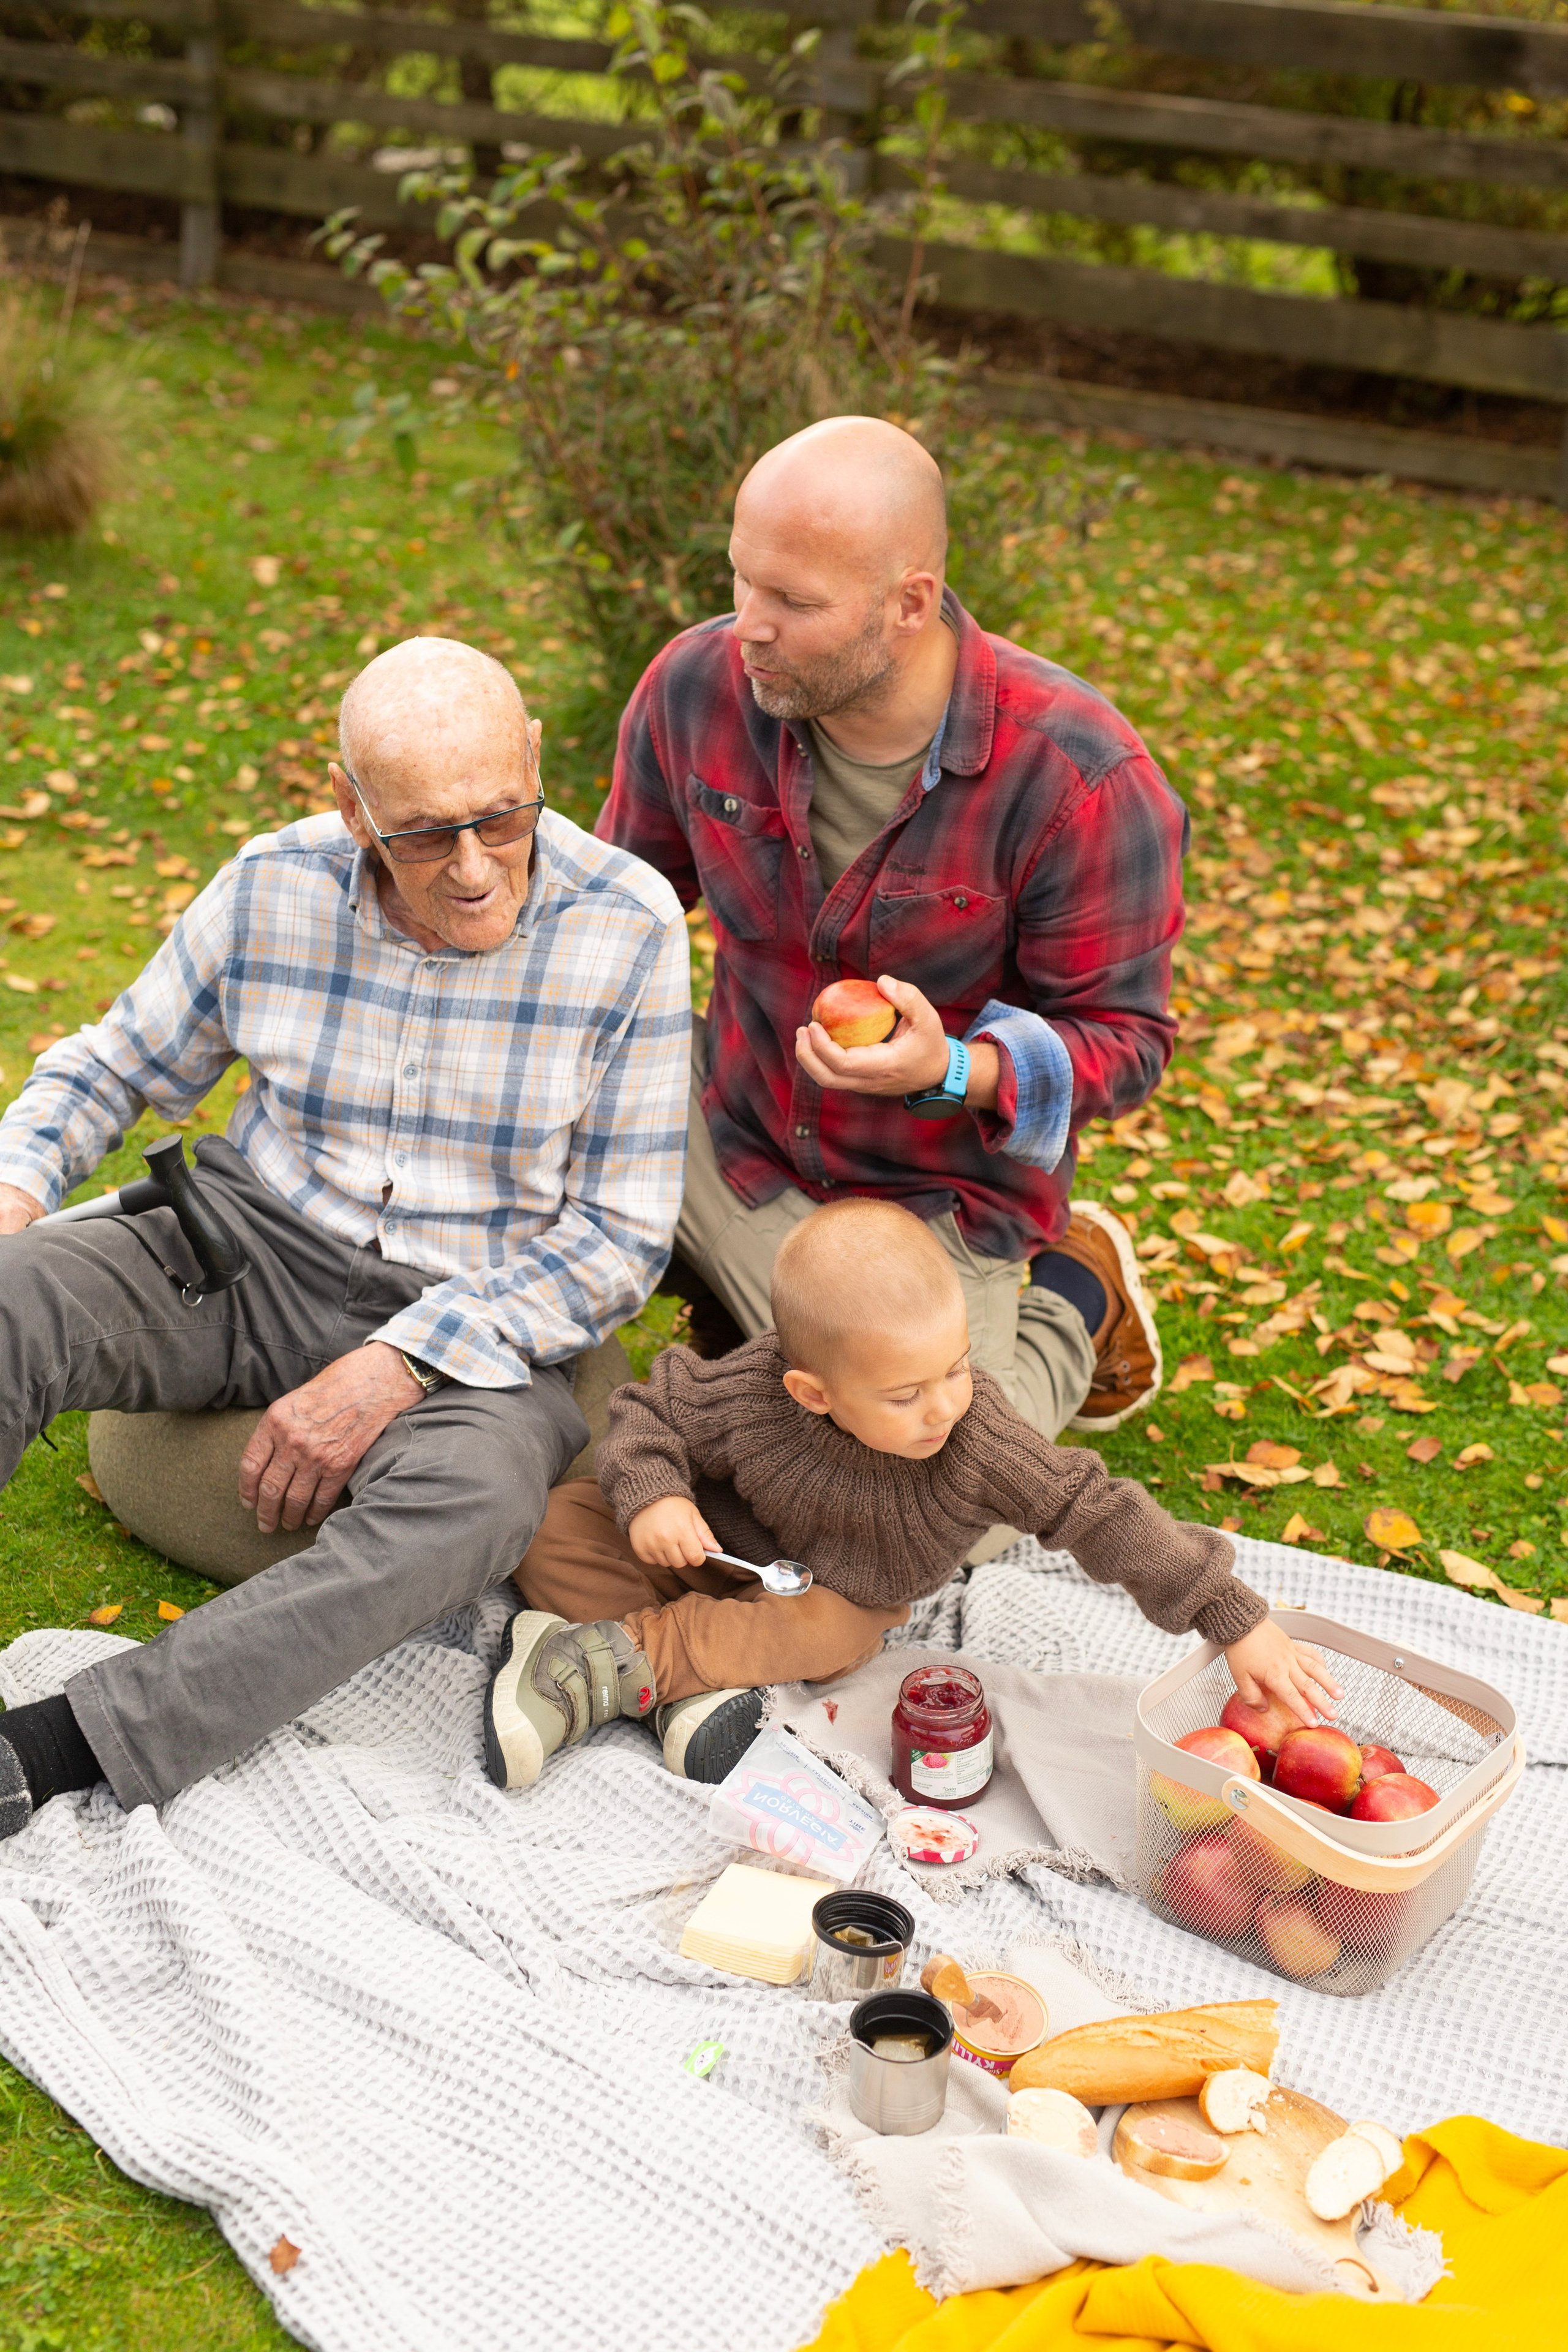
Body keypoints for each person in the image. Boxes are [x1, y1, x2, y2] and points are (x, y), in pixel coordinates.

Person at [0, 637, 690, 1840]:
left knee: (472, 1508)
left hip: (485, 1313)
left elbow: (620, 1241)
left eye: (501, 816)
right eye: (425, 833)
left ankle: (64, 1745)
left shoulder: (625, 925)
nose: (473, 868)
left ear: (533, 762)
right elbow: (115, 1063)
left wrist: (400, 1361)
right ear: (350, 804)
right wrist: (14, 1194)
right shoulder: (270, 885)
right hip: (253, 1243)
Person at [597, 414, 1184, 1487]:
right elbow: (610, 907)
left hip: (933, 1213)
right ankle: (764, 1323)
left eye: (795, 604)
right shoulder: (695, 688)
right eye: (741, 582)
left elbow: (1127, 1042)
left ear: (909, 605)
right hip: (730, 1132)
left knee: (943, 1505)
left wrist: (952, 1070)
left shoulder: (1079, 778)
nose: (747, 628)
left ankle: (1076, 1302)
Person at [487, 1200, 1336, 1787]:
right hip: (717, 1553)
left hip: (834, 1597)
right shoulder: (755, 1393)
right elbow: (652, 1409)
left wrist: (1232, 1614)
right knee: (557, 1524)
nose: (943, 1407)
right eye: (904, 1396)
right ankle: (706, 1686)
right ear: (813, 1392)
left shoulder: (977, 1441)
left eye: (956, 1370)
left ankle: (626, 1664)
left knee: (828, 1631)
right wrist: (653, 1496)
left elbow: (1097, 1507)